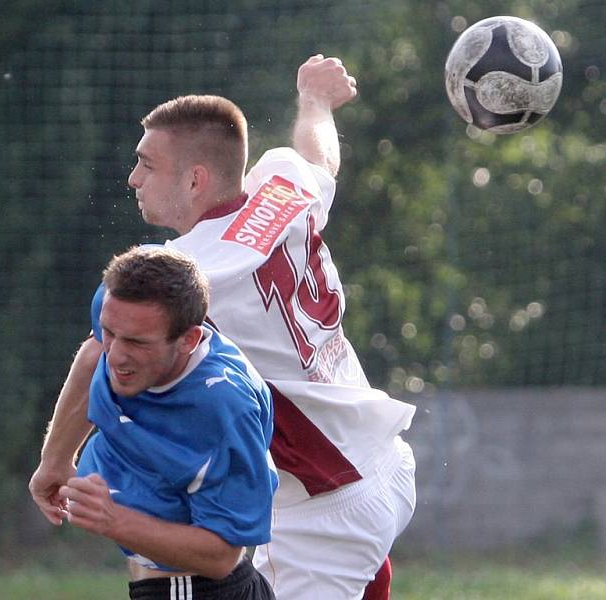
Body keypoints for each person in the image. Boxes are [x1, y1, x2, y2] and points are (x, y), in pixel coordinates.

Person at [30, 55, 416, 600]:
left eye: (147, 164)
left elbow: (97, 354)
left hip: (322, 506)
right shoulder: (281, 189)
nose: (132, 177)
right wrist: (315, 100)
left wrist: (53, 461)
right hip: (378, 458)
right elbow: (319, 156)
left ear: (195, 178)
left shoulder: (182, 276)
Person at [54, 245, 277, 599]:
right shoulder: (124, 303)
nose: (116, 354)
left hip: (201, 591)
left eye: (136, 343)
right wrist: (54, 463)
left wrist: (113, 519)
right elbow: (93, 352)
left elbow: (221, 555)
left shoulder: (224, 409)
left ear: (188, 339)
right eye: (110, 332)